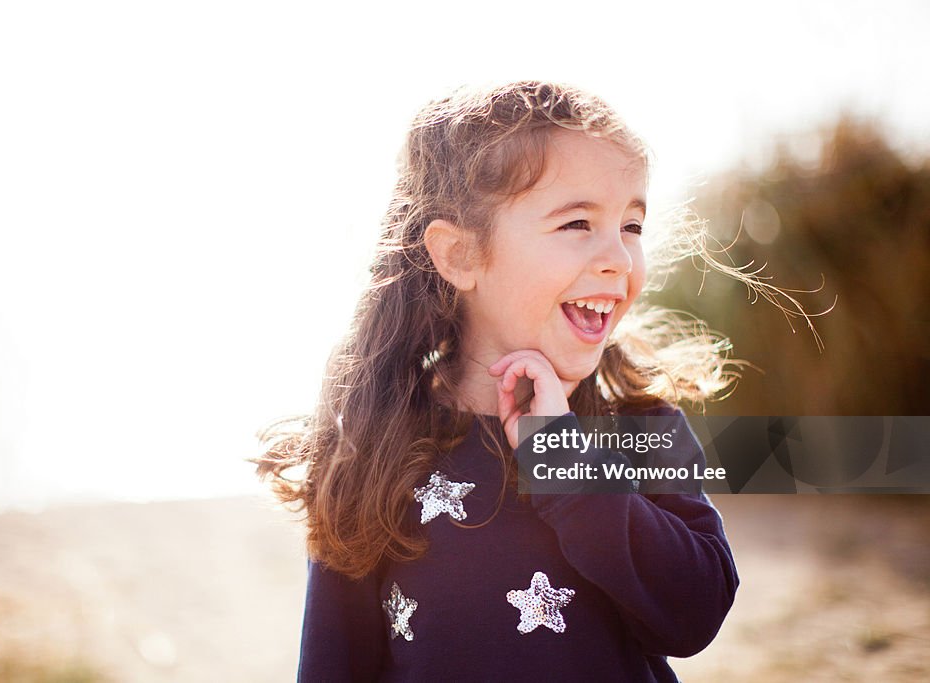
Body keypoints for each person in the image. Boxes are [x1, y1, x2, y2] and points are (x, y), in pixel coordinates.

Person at [256, 80, 742, 682]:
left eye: (632, 225)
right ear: (460, 256)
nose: (619, 256)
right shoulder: (373, 442)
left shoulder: (639, 428)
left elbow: (694, 615)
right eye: (577, 224)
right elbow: (334, 664)